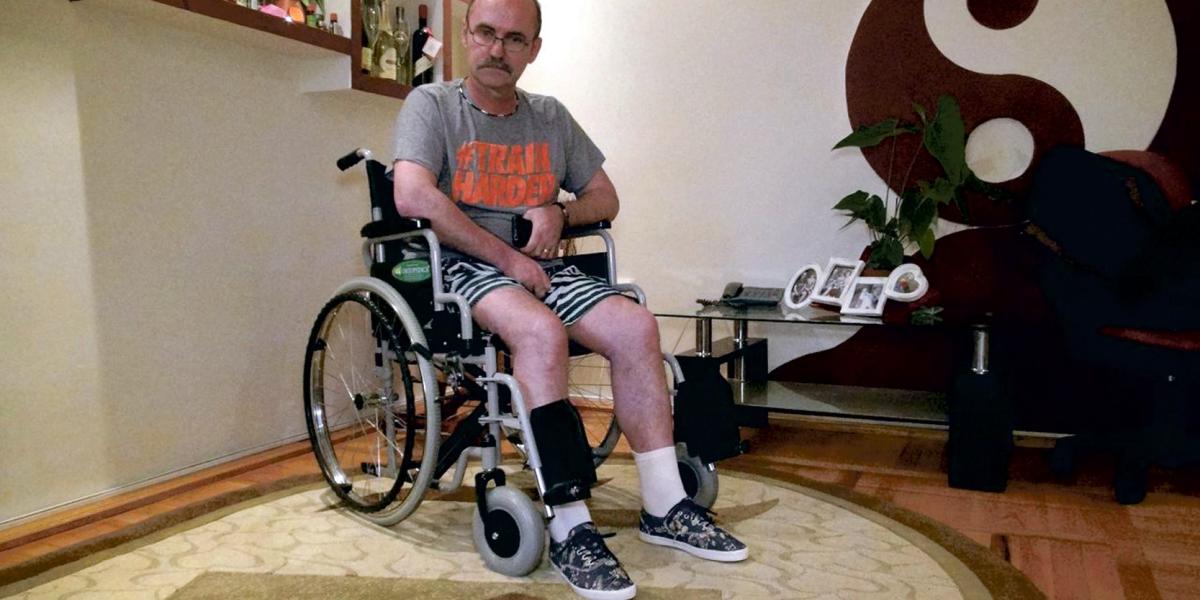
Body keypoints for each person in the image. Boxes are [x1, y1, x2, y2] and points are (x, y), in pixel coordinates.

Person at [390, 1, 747, 598]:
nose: (497, 49)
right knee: (539, 333)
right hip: (463, 267)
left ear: (533, 49)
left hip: (543, 267)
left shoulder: (550, 116)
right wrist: (507, 259)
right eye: (486, 33)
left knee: (636, 326)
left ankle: (665, 504)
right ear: (465, 35)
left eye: (514, 39)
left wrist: (560, 212)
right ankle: (570, 525)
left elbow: (606, 198)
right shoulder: (433, 105)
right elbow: (412, 196)